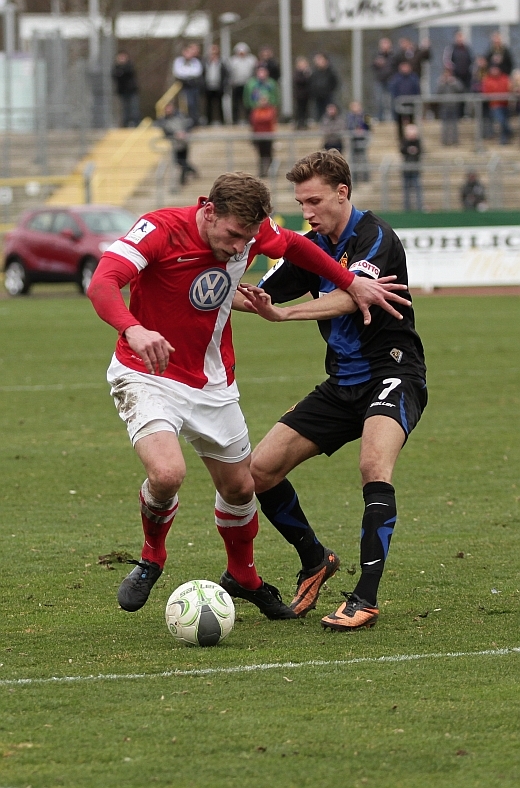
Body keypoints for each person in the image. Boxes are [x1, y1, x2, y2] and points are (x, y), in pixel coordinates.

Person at [87, 171, 410, 619]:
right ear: (208, 211)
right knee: (167, 474)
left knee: (242, 486)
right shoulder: (160, 229)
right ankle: (152, 557)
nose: (241, 247)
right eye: (234, 236)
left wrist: (349, 281)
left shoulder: (262, 234)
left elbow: (294, 246)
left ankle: (244, 576)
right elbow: (102, 283)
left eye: (249, 238)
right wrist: (133, 329)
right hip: (148, 371)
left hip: (213, 381)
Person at [236, 149, 427, 630]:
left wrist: (284, 315)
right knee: (259, 471)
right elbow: (260, 296)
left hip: (393, 374)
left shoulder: (375, 237)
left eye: (315, 201)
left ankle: (365, 598)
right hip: (342, 385)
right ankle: (315, 559)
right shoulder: (311, 245)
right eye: (301, 203)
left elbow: (350, 296)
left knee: (373, 466)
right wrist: (198, 284)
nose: (307, 212)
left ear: (343, 193)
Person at [155, 102, 198, 187]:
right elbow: (165, 131)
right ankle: (191, 171)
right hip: (175, 144)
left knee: (183, 160)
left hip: (183, 142)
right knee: (179, 161)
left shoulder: (180, 116)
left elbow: (189, 123)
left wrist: (184, 132)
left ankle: (184, 178)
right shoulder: (164, 120)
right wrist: (175, 134)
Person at [172, 43, 203, 127]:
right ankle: (190, 120)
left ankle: (195, 119)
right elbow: (178, 72)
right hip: (184, 85)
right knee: (188, 103)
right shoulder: (178, 61)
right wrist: (187, 75)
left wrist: (187, 74)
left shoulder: (196, 61)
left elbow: (197, 72)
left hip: (194, 84)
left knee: (195, 102)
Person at [389, 60, 421, 141]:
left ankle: (413, 138)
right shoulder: (396, 78)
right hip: (399, 103)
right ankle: (401, 139)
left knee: (411, 121)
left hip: (411, 103)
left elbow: (417, 90)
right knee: (399, 121)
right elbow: (393, 91)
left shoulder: (413, 78)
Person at [227, 43, 258, 124]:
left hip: (248, 85)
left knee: (248, 102)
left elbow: (255, 72)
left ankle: (249, 119)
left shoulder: (251, 60)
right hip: (236, 84)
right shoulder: (233, 60)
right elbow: (229, 73)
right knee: (236, 103)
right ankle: (235, 120)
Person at [482, 64, 512, 144]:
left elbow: (509, 88)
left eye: (496, 69)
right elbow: (486, 92)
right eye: (493, 70)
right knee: (501, 121)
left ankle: (507, 133)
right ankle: (504, 137)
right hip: (495, 105)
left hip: (505, 104)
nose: (494, 71)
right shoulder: (488, 80)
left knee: (505, 121)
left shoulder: (504, 78)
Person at [249, 94, 277, 177]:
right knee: (260, 154)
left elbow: (268, 118)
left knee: (268, 153)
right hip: (258, 135)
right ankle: (262, 171)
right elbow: (255, 119)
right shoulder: (256, 110)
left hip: (268, 135)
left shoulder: (270, 110)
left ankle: (268, 170)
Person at [111, 51, 141, 128]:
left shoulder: (129, 66)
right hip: (122, 92)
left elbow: (127, 73)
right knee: (125, 109)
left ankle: (135, 123)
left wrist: (121, 72)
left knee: (134, 108)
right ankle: (126, 123)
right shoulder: (116, 67)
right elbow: (115, 76)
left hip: (132, 91)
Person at [436, 66, 464, 146]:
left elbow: (460, 89)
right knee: (444, 125)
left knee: (454, 124)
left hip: (454, 106)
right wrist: (442, 83)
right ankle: (444, 141)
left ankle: (455, 141)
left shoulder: (455, 81)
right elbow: (438, 93)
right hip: (444, 106)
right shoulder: (440, 82)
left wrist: (453, 83)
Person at [400, 123, 423, 212]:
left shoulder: (417, 142)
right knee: (406, 189)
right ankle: (407, 208)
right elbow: (402, 150)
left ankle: (419, 207)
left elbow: (420, 151)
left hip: (415, 169)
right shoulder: (404, 142)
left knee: (417, 188)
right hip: (406, 169)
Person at [203, 44, 228, 126]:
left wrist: (223, 85)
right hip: (208, 86)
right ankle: (208, 121)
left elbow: (225, 75)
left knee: (220, 104)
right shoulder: (205, 63)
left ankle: (222, 121)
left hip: (218, 86)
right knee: (208, 105)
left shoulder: (222, 63)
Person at [346, 101, 371, 183]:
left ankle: (365, 178)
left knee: (364, 159)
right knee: (353, 160)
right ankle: (355, 179)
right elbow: (348, 126)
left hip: (363, 139)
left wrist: (362, 130)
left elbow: (369, 125)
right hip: (353, 140)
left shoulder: (366, 115)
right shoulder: (349, 117)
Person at [310, 53, 339, 122]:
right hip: (317, 96)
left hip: (328, 96)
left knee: (329, 111)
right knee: (319, 112)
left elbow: (335, 83)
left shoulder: (331, 72)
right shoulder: (314, 73)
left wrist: (329, 91)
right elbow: (311, 83)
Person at [371, 37, 395, 121]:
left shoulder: (393, 55)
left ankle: (394, 119)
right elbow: (372, 67)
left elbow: (395, 66)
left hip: (391, 80)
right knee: (379, 101)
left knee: (392, 101)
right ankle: (380, 118)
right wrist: (376, 63)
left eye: (386, 44)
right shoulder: (376, 55)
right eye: (383, 44)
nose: (385, 46)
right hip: (379, 80)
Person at [293, 56, 312, 130]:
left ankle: (305, 123)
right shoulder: (297, 73)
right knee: (299, 110)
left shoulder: (308, 73)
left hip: (306, 95)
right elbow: (299, 81)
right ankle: (298, 123)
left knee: (306, 110)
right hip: (299, 95)